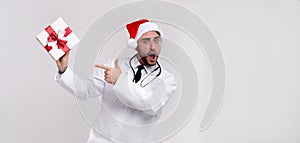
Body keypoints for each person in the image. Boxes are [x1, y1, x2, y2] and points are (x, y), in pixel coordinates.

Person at [54, 19, 177, 143]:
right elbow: (85, 90)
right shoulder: (112, 65)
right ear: (136, 45)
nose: (153, 47)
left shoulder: (167, 79)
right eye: (146, 41)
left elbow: (152, 105)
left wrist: (119, 80)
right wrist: (64, 70)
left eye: (156, 40)